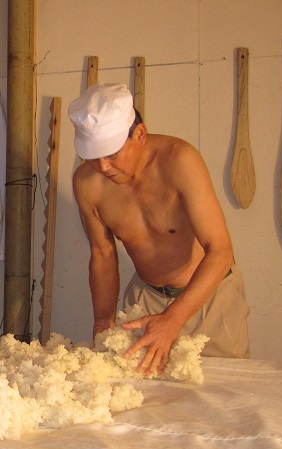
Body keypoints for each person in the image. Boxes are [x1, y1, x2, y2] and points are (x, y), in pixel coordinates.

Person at [68, 83, 249, 376]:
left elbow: (220, 250)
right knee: (144, 399)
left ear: (139, 134)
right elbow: (102, 254)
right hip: (146, 298)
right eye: (92, 156)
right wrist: (103, 321)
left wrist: (173, 319)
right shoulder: (86, 183)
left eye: (111, 154)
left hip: (209, 296)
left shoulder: (180, 160)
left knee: (224, 394)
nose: (102, 166)